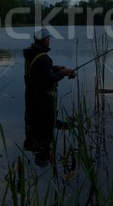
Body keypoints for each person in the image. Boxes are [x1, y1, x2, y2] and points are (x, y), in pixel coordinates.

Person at [23, 28, 75, 165]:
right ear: (45, 40)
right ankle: (60, 125)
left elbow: (38, 72)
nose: (49, 40)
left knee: (38, 124)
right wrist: (64, 73)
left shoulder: (31, 54)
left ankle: (60, 125)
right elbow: (49, 80)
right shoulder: (43, 58)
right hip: (42, 102)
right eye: (49, 38)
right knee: (45, 126)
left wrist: (56, 68)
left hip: (31, 100)